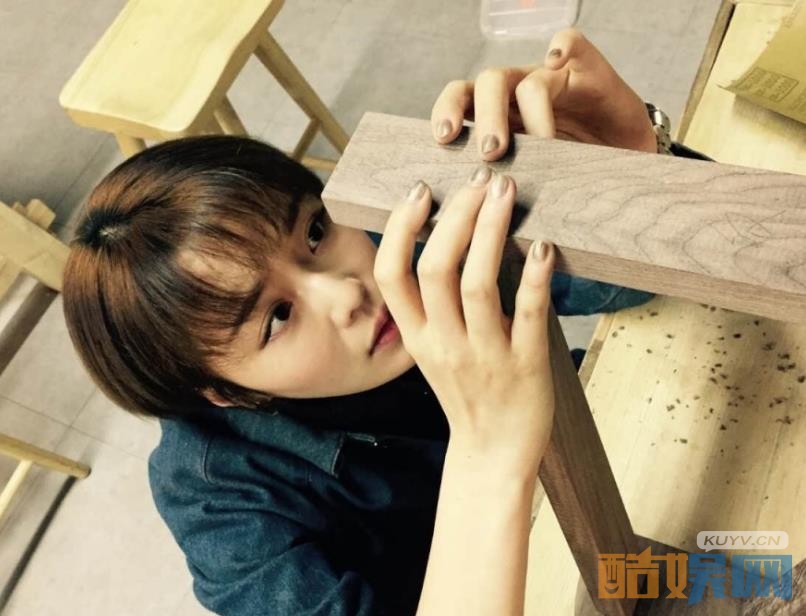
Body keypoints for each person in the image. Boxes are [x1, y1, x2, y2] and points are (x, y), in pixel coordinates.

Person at [62, 29, 710, 616]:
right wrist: (488, 456)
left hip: (618, 470)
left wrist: (636, 166)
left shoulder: (392, 237)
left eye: (314, 233)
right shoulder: (219, 501)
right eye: (277, 317)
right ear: (223, 391)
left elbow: (615, 284)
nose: (347, 292)